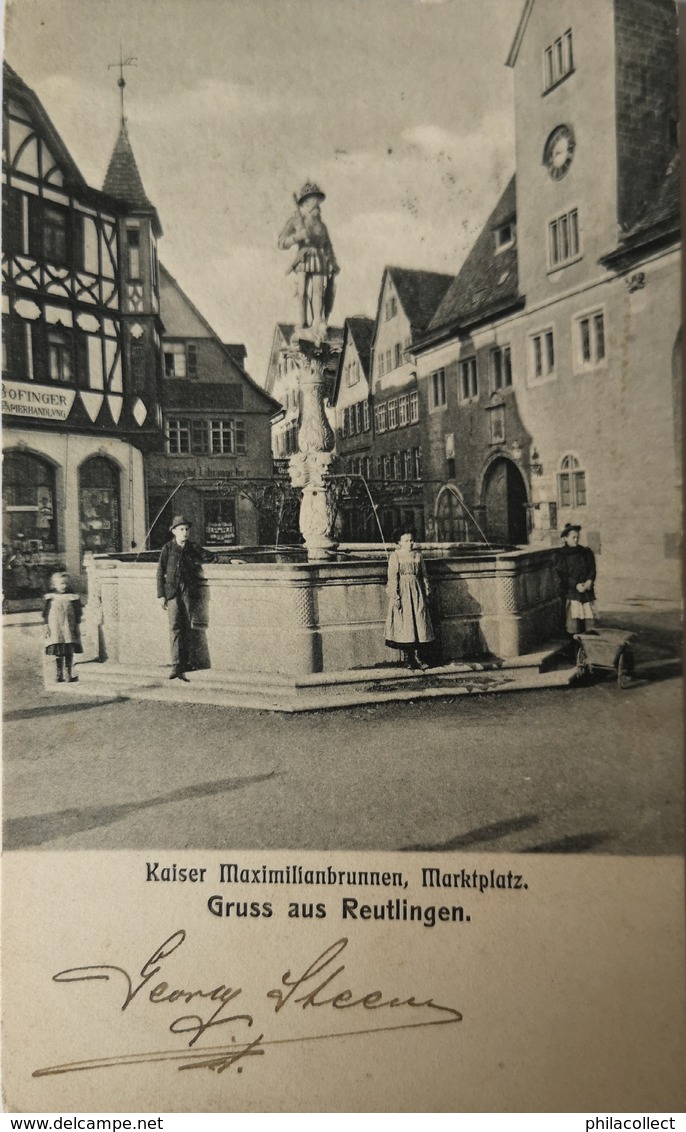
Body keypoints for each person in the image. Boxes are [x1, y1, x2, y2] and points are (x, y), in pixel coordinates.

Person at [278, 182, 339, 342]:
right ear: (305, 204)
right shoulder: (296, 221)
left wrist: (333, 262)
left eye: (318, 202)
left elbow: (328, 246)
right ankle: (303, 321)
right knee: (302, 291)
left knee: (319, 291)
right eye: (313, 201)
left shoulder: (322, 226)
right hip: (303, 256)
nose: (317, 205)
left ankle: (317, 321)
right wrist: (297, 237)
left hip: (318, 257)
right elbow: (281, 243)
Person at [156, 517, 213, 681]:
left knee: (188, 626)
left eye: (187, 529)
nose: (185, 532)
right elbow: (160, 572)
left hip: (187, 592)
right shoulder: (167, 549)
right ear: (174, 531)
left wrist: (230, 560)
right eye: (181, 529)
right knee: (174, 626)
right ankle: (176, 664)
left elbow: (209, 556)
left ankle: (187, 662)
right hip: (172, 593)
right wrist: (161, 595)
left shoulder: (192, 547)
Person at [384, 530, 435, 670]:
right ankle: (408, 658)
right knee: (405, 624)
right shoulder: (395, 556)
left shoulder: (418, 556)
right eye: (406, 541)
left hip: (417, 592)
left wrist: (426, 591)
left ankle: (418, 657)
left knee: (419, 621)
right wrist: (395, 596)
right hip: (403, 593)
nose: (410, 543)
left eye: (411, 540)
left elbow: (424, 575)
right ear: (399, 542)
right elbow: (392, 578)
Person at [554, 522, 597, 636]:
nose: (576, 540)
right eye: (573, 538)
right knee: (574, 623)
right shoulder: (561, 555)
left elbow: (592, 569)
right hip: (572, 592)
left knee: (589, 623)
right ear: (565, 538)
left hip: (586, 591)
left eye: (577, 537)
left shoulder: (585, 552)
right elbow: (562, 575)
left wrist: (589, 580)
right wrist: (576, 585)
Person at [43, 570, 83, 682]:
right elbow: (45, 613)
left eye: (65, 583)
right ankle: (59, 675)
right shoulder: (51, 598)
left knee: (69, 650)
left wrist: (77, 625)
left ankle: (69, 674)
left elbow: (78, 612)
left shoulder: (73, 597)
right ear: (54, 585)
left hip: (68, 626)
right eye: (61, 583)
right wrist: (46, 625)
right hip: (55, 627)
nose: (63, 586)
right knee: (58, 651)